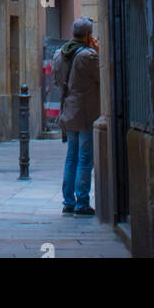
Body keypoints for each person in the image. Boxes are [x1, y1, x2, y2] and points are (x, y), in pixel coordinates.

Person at [52, 17, 100, 216]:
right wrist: (98, 51)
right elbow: (102, 76)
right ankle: (82, 202)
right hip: (85, 112)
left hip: (68, 110)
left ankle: (68, 201)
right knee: (84, 158)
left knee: (71, 157)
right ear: (88, 35)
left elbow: (56, 81)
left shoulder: (60, 54)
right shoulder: (88, 56)